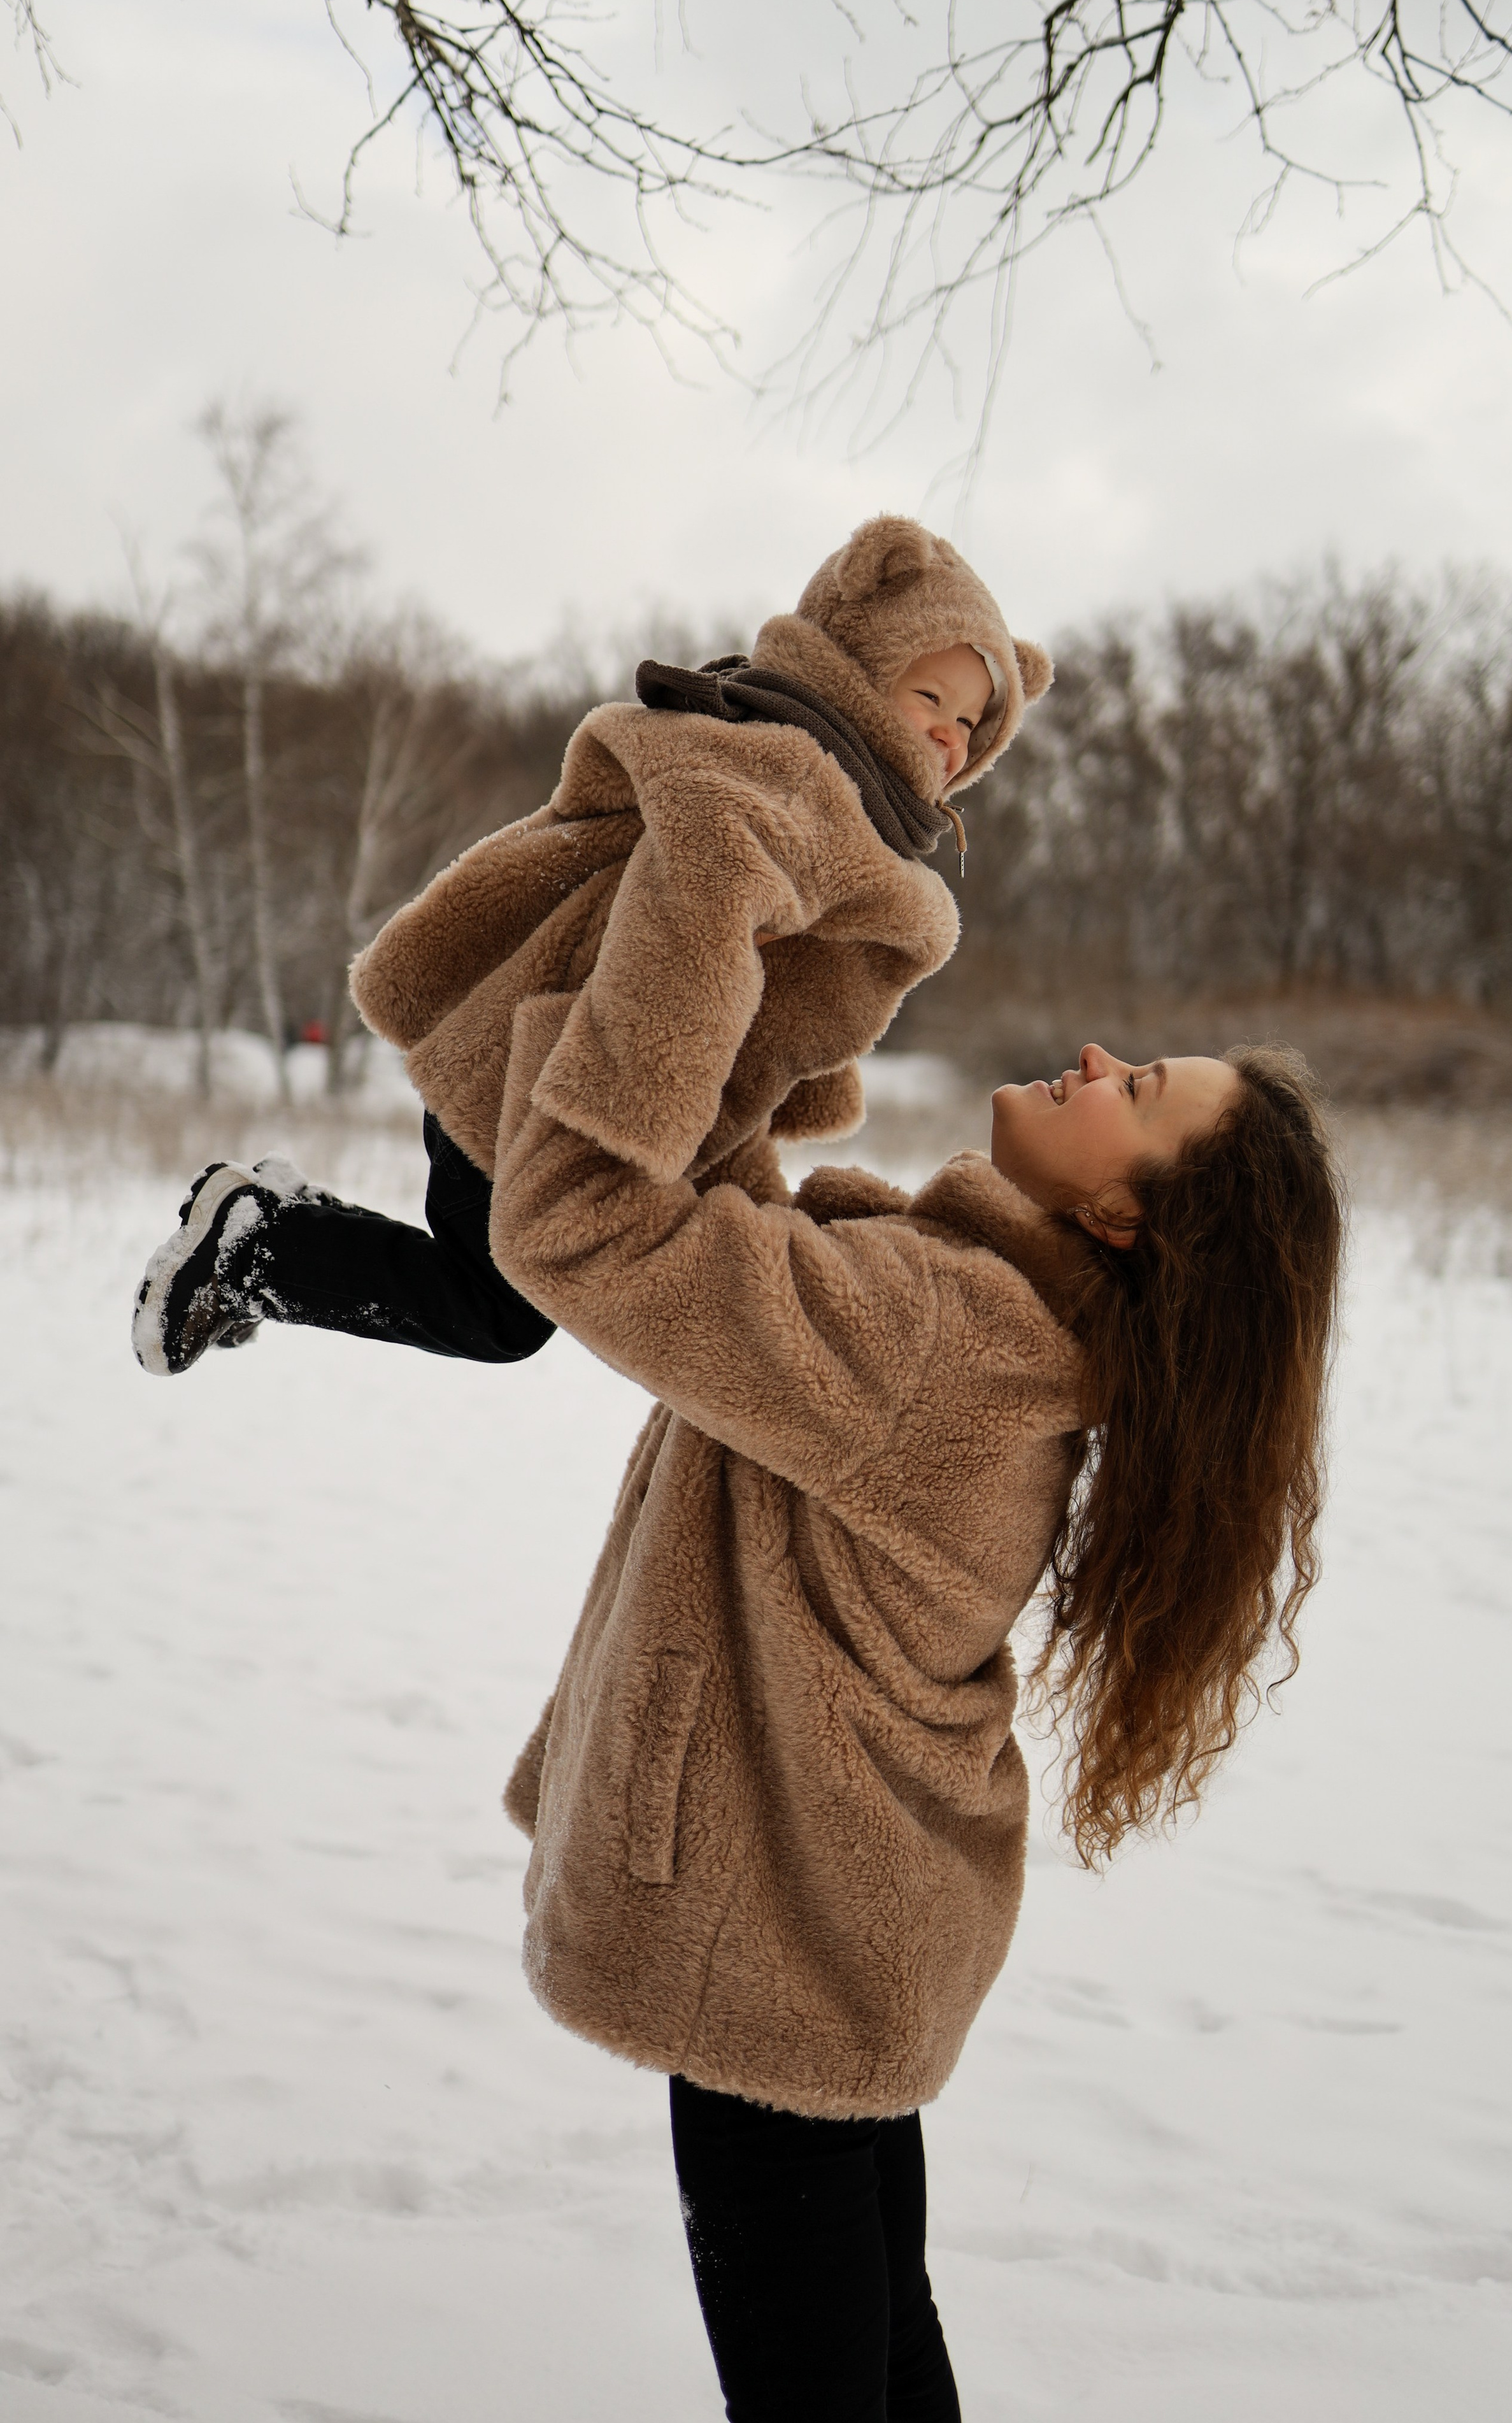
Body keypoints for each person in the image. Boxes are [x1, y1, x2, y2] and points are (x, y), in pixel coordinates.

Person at [132, 1015, 1343, 2420]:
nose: (1093, 1058)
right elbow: (746, 1246)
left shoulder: (936, 1340)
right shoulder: (995, 1328)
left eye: (1136, 1090)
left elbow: (598, 1240)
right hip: (852, 1936)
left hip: (777, 1946)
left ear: (1121, 1213)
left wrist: (679, 961)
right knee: (885, 2347)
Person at [133, 517, 1050, 1375]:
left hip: (547, 1064)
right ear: (853, 666)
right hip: (542, 1080)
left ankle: (284, 1228)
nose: (948, 733)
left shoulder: (828, 801)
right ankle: (254, 1246)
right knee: (501, 1314)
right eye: (929, 696)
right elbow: (690, 933)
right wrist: (626, 1134)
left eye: (972, 722)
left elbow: (763, 1008)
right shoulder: (781, 780)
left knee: (501, 1299)